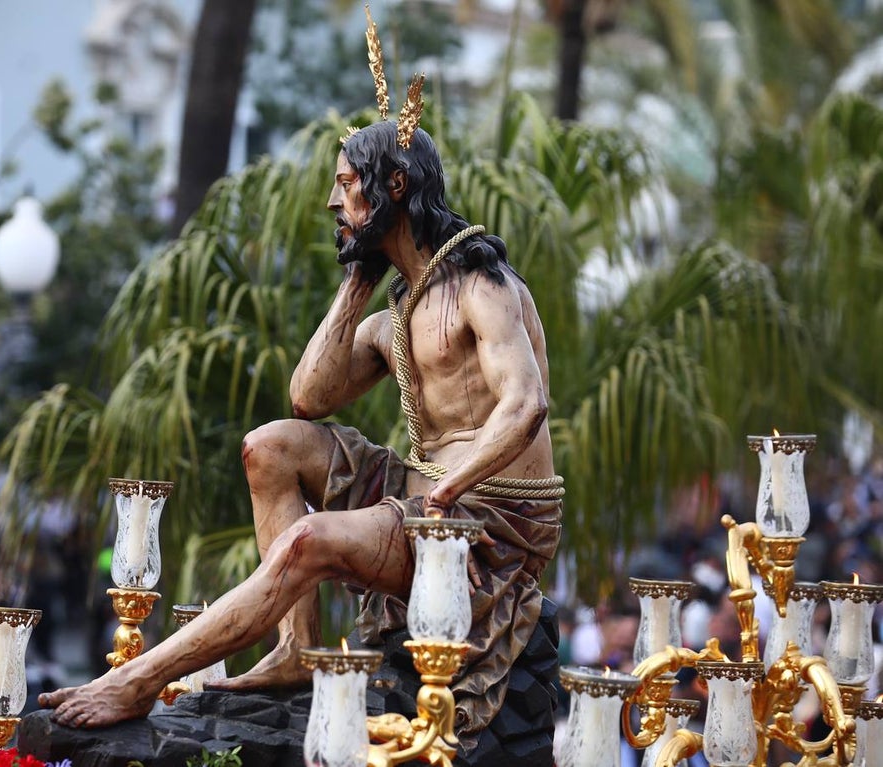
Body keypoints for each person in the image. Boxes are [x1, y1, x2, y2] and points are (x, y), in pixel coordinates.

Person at [41, 18, 562, 743]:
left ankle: (137, 677)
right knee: (270, 446)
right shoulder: (398, 307)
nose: (331, 201)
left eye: (348, 186)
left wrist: (443, 489)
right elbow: (308, 397)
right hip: (427, 495)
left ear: (396, 186)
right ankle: (293, 649)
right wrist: (356, 283)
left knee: (309, 540)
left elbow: (526, 404)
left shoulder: (481, 282)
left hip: (490, 520)